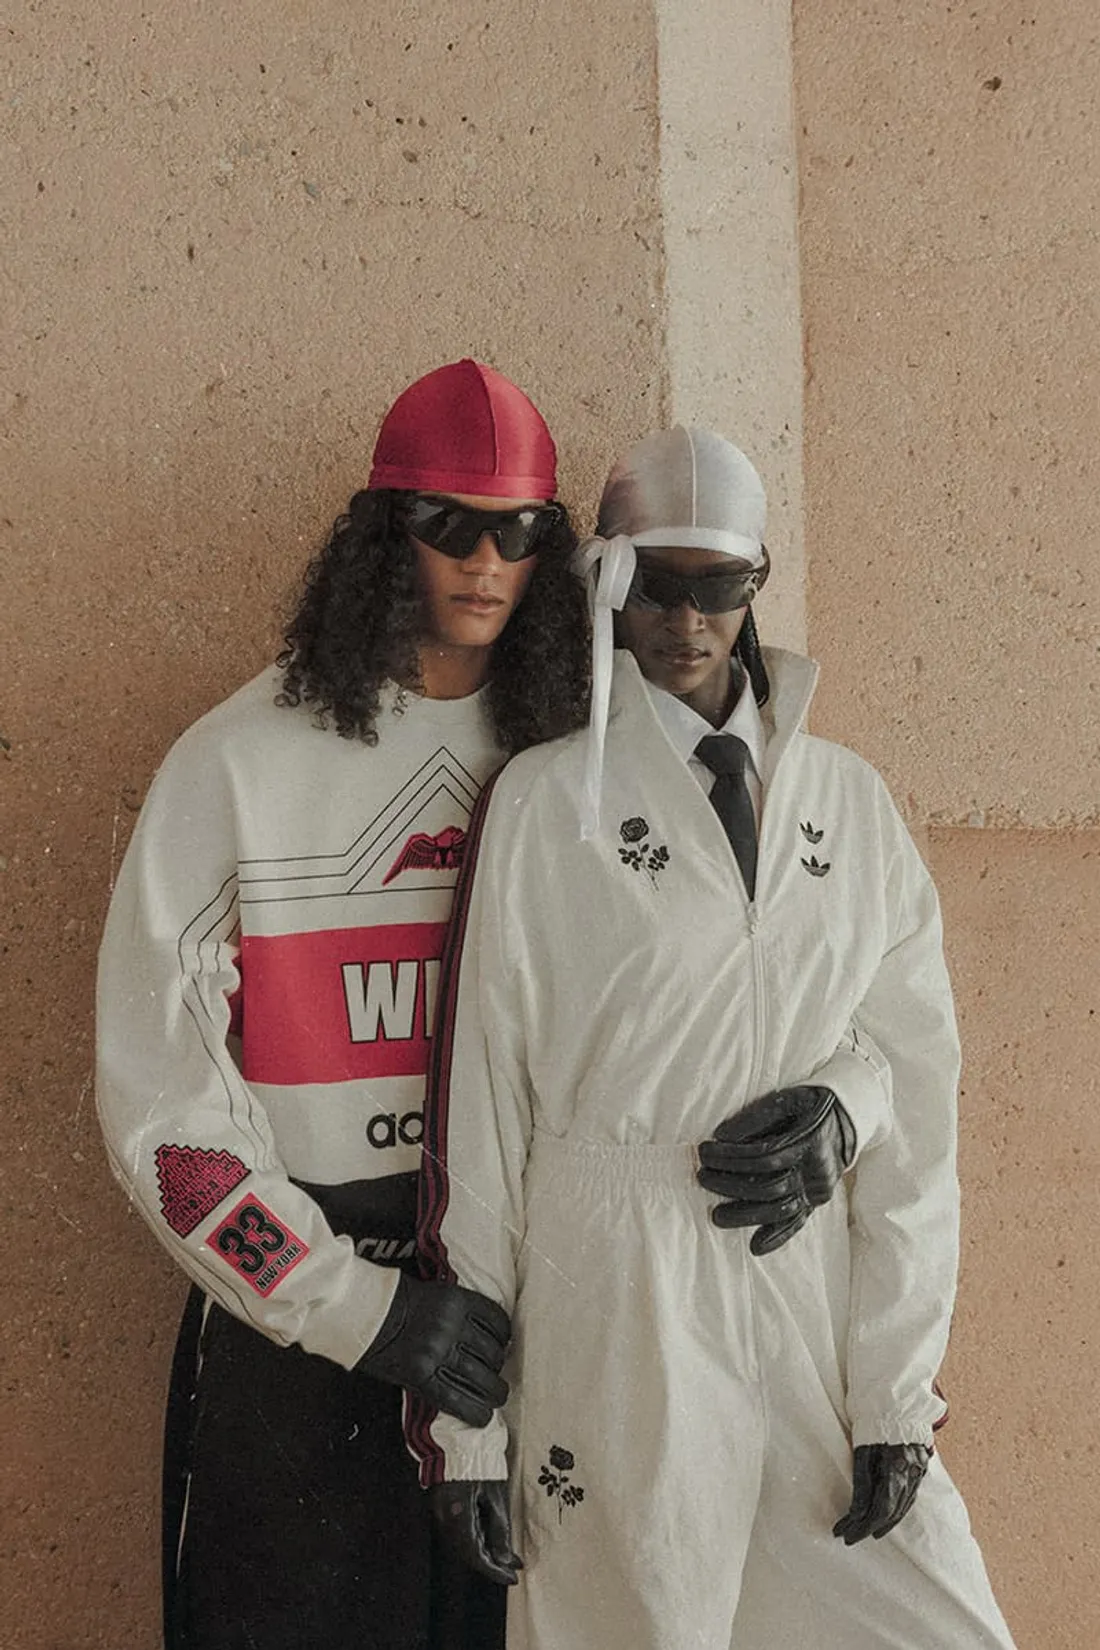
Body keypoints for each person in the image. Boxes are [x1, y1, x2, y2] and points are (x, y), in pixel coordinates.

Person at [410, 426, 1016, 1648]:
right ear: (604, 580)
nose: (683, 618)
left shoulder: (847, 802)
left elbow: (915, 1079)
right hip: (614, 1302)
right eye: (651, 582)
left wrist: (892, 1391)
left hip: (806, 1288)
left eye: (717, 585)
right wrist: (465, 1428)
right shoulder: (542, 805)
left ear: (758, 581)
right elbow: (481, 1110)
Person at [95, 358, 589, 1650]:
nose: (485, 559)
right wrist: (350, 1306)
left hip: (543, 1315)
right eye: (448, 524)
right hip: (305, 1333)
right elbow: (164, 1111)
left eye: (520, 530)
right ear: (385, 535)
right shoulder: (238, 765)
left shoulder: (589, 768)